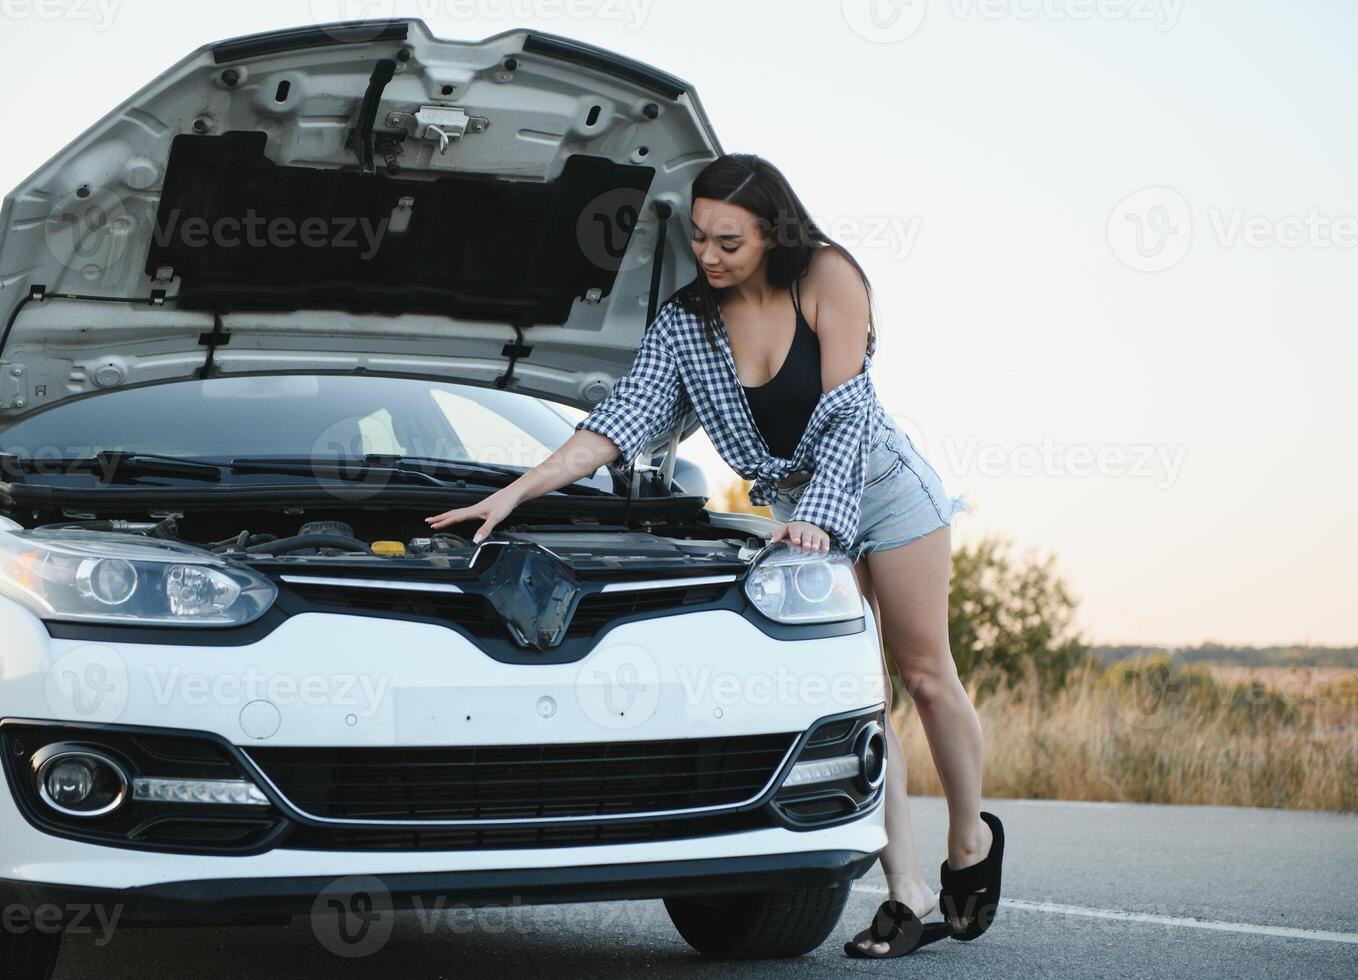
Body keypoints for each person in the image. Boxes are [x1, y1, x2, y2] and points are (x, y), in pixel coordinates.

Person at [423, 153, 1004, 959]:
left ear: (772, 231)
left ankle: (970, 845)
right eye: (698, 237)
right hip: (799, 509)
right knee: (863, 699)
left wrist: (826, 528)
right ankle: (903, 894)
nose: (709, 254)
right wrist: (514, 492)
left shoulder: (829, 277)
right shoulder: (688, 321)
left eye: (728, 240)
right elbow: (616, 420)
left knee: (927, 675)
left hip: (881, 487)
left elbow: (845, 415)